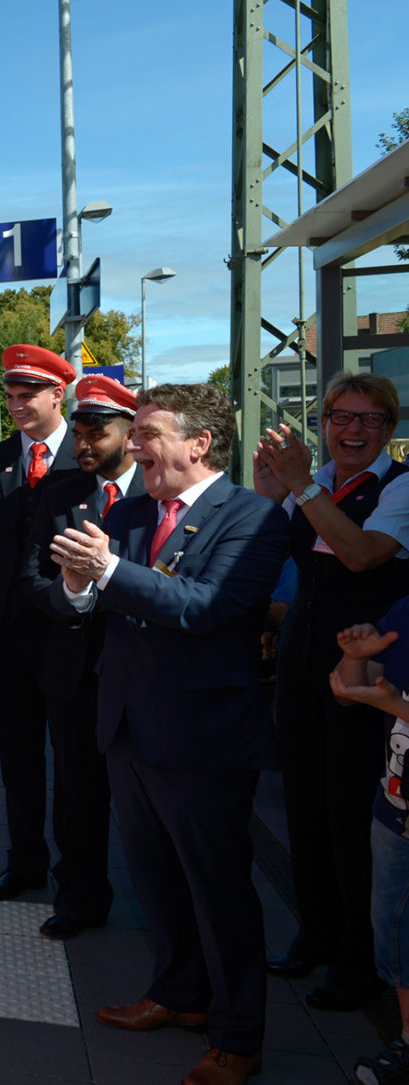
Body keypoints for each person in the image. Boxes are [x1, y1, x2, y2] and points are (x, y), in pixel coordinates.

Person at [47, 383, 287, 1085]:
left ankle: (239, 1036)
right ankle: (179, 994)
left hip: (203, 739)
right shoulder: (127, 510)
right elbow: (92, 600)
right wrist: (75, 583)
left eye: (148, 433)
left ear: (199, 442)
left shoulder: (253, 517)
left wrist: (110, 570)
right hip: (129, 725)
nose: (137, 446)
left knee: (219, 891)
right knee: (154, 879)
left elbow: (206, 607)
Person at [252, 372, 409, 1011]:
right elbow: (273, 551)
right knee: (307, 812)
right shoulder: (317, 485)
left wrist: (299, 485)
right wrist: (271, 493)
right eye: (340, 417)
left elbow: (361, 554)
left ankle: (360, 961)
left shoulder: (399, 487)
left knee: (351, 820)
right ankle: (317, 935)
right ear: (322, 424)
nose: (351, 430)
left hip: (364, 679)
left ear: (389, 430)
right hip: (302, 670)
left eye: (368, 420)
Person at [19, 374, 143, 938]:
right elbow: (31, 576)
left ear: (131, 433)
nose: (85, 444)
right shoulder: (60, 492)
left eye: (99, 433)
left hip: (145, 671)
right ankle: (81, 897)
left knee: (149, 795)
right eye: (82, 433)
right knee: (77, 793)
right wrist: (72, 590)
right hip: (75, 669)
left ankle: (167, 904)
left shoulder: (157, 493)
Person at [0, 343, 80, 902]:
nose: (16, 406)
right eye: (10, 396)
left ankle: (77, 877)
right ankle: (24, 863)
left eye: (27, 395)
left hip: (69, 635)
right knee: (17, 757)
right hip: (8, 635)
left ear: (59, 393)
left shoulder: (86, 458)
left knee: (76, 763)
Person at [328, 607, 409, 1084]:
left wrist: (396, 707)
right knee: (397, 938)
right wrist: (355, 658)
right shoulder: (404, 610)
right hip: (394, 810)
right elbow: (351, 688)